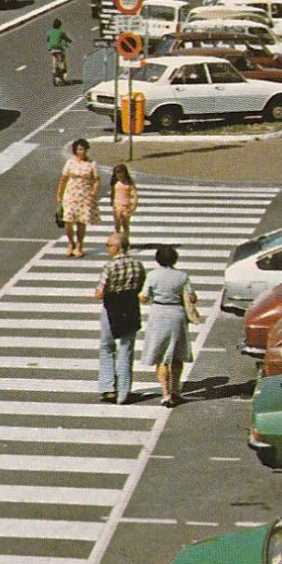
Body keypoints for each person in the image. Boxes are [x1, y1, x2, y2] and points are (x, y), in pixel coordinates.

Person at [141, 244, 198, 408]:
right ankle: (176, 390)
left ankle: (166, 394)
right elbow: (192, 298)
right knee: (177, 355)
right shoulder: (182, 276)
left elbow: (144, 298)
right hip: (177, 315)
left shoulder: (152, 276)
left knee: (161, 356)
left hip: (159, 314)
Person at [94, 233, 146, 405]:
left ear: (117, 247)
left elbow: (100, 292)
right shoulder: (138, 265)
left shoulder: (109, 267)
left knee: (107, 347)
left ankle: (108, 388)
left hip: (112, 308)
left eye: (108, 245)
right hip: (130, 307)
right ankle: (124, 392)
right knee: (126, 349)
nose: (107, 248)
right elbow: (140, 287)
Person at [56, 138, 101, 258]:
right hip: (71, 194)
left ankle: (80, 245)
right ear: (75, 150)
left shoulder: (92, 164)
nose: (83, 151)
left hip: (85, 194)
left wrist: (93, 192)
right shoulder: (70, 163)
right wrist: (59, 195)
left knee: (81, 221)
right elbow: (63, 179)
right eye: (80, 149)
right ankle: (71, 243)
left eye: (84, 149)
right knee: (68, 220)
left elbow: (97, 180)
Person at [110, 162, 138, 247]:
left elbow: (134, 194)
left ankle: (126, 241)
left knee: (125, 225)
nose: (120, 178)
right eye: (118, 176)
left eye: (122, 176)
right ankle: (117, 241)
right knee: (117, 224)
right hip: (117, 205)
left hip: (126, 206)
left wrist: (134, 204)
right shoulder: (115, 183)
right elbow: (113, 193)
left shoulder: (129, 183)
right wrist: (112, 202)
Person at [47, 18, 72, 84]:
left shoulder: (50, 32)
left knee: (54, 57)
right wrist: (70, 41)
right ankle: (62, 72)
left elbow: (48, 39)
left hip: (52, 48)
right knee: (63, 59)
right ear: (59, 25)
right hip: (59, 48)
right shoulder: (61, 32)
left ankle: (54, 69)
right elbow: (66, 38)